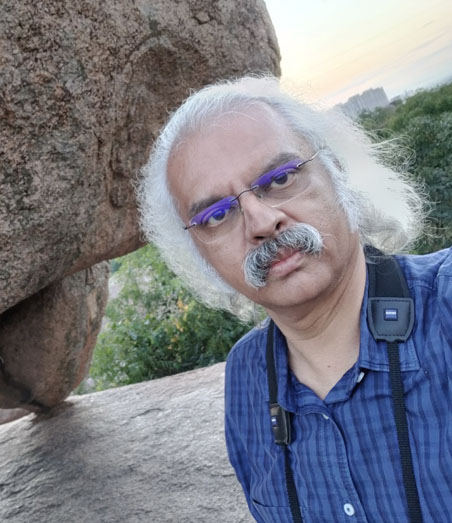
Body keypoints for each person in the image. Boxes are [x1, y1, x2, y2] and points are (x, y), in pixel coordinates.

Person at [137, 76, 452, 522]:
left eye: (280, 178)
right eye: (218, 214)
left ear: (336, 171)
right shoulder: (247, 377)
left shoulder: (445, 302)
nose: (261, 222)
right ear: (199, 254)